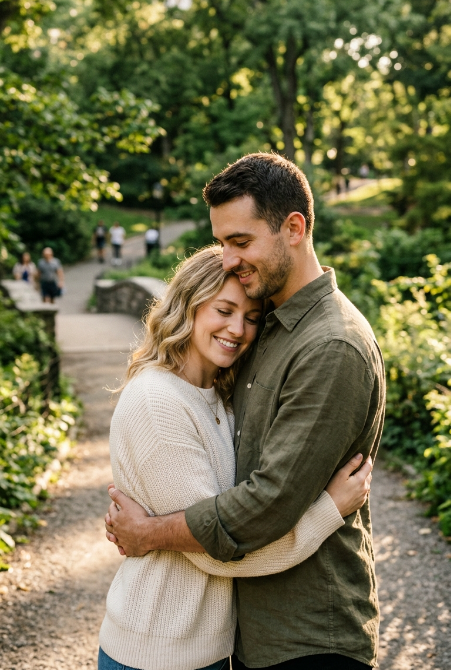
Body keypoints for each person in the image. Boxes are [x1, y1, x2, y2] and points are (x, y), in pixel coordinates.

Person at [105, 153, 386, 670]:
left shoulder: (330, 345)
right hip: (251, 633)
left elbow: (265, 505)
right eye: (221, 244)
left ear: (294, 228)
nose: (229, 260)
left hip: (310, 635)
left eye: (240, 242)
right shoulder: (271, 324)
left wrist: (150, 533)